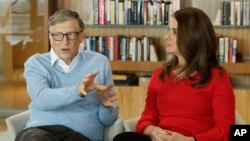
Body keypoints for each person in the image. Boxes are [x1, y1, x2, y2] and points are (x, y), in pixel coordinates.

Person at [113, 7, 235, 141]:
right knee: (123, 138)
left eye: (175, 32)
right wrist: (152, 130)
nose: (167, 37)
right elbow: (147, 118)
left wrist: (188, 140)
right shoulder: (159, 74)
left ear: (193, 36)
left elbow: (225, 130)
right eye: (168, 30)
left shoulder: (217, 77)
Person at [15, 9, 118, 141]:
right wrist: (77, 91)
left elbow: (108, 121)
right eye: (57, 35)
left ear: (81, 36)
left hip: (81, 134)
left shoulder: (99, 62)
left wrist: (105, 106)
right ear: (50, 37)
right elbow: (42, 99)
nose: (65, 41)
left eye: (71, 34)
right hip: (41, 131)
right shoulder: (36, 63)